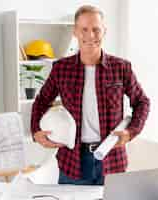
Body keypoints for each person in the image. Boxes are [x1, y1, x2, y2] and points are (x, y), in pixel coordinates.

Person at [31, 5, 150, 185]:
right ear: (75, 32)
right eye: (84, 29)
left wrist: (131, 131)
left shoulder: (121, 68)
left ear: (104, 31)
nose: (90, 35)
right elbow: (41, 101)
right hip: (74, 162)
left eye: (96, 29)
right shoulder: (61, 69)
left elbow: (142, 102)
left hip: (112, 161)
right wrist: (35, 131)